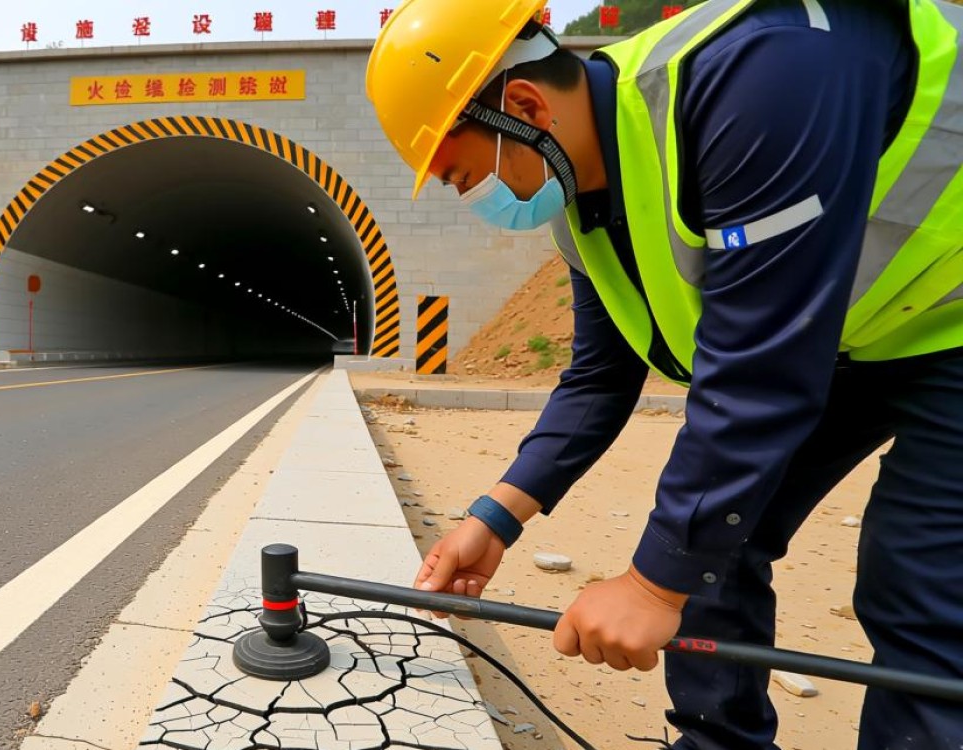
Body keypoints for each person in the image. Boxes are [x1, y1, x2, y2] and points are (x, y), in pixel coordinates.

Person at [364, 0, 963, 747]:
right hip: (856, 329)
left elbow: (762, 360)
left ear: (523, 106)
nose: (474, 200)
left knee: (920, 585)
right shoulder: (583, 201)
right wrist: (495, 517)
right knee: (713, 537)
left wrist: (653, 585)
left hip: (947, 323)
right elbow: (597, 377)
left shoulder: (760, 78)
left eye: (462, 176)